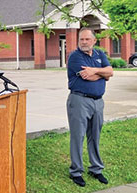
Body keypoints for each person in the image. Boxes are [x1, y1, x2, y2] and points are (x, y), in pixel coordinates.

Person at [66, 27, 113, 187]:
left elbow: (111, 71)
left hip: (98, 102)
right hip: (79, 100)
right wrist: (102, 74)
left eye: (87, 39)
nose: (84, 42)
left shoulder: (100, 54)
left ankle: (96, 169)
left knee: (95, 136)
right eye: (81, 39)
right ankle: (76, 171)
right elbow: (89, 77)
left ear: (94, 40)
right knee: (78, 137)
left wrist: (95, 71)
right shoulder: (74, 57)